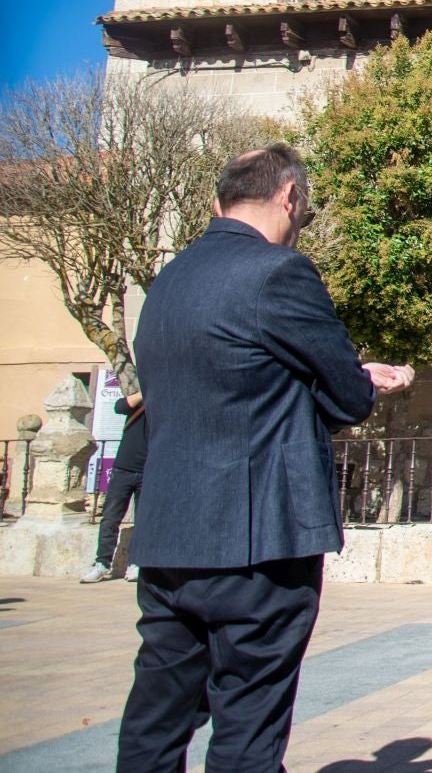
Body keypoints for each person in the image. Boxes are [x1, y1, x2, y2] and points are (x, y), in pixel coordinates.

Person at [115, 144, 415, 773]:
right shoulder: (279, 273)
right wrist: (361, 381)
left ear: (218, 198)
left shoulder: (169, 279)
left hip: (169, 533)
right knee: (248, 726)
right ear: (288, 196)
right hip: (257, 542)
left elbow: (229, 379)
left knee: (156, 719)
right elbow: (345, 395)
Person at [80, 387, 147, 584]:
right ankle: (102, 563)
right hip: (123, 468)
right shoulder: (139, 400)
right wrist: (146, 392)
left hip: (149, 470)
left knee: (143, 520)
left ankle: (136, 563)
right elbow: (119, 406)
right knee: (110, 518)